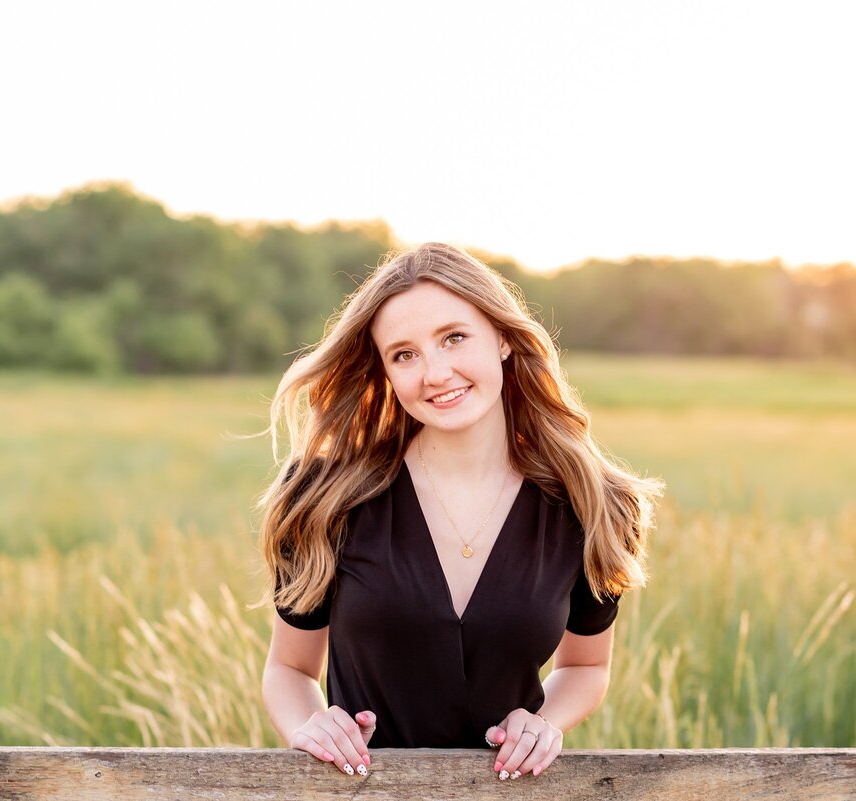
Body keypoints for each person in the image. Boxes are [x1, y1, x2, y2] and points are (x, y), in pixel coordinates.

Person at [257, 242, 660, 781]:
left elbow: (587, 665)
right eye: (405, 354)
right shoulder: (323, 495)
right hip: (359, 796)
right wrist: (311, 725)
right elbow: (288, 668)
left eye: (454, 338)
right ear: (386, 372)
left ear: (501, 339)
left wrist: (545, 722)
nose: (435, 372)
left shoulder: (595, 503)